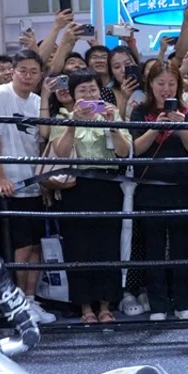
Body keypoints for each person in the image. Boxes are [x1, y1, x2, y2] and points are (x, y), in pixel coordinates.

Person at [49, 69, 132, 324]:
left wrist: (112, 126)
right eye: (82, 90)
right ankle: (85, 308)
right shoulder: (62, 117)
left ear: (100, 91)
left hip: (108, 185)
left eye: (93, 89)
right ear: (73, 95)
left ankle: (106, 306)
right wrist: (73, 124)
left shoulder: (112, 113)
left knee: (108, 246)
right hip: (76, 186)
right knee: (78, 247)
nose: (88, 94)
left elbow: (124, 152)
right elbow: (60, 153)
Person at [0, 50, 56, 323]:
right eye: (22, 70)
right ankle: (16, 303)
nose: (27, 76)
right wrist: (0, 177)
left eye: (33, 72)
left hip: (35, 182)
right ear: (12, 70)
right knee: (19, 247)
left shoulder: (38, 101)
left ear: (40, 76)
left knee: (35, 245)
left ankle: (29, 299)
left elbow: (44, 139)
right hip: (9, 184)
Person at [129, 61, 188, 321]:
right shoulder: (140, 112)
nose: (166, 88)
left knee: (183, 248)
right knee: (154, 249)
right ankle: (158, 305)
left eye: (171, 83)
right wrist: (155, 127)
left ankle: (184, 303)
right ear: (150, 85)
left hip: (183, 187)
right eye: (161, 83)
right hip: (150, 189)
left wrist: (181, 126)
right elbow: (135, 149)